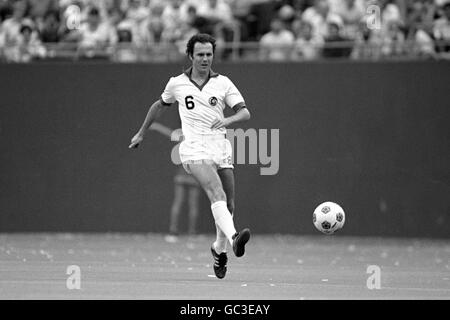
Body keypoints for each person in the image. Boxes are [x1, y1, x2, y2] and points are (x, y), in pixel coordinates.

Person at [129, 33, 251, 279]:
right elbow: (158, 106)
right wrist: (141, 133)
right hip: (193, 147)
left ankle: (219, 249)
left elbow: (245, 113)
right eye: (200, 55)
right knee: (216, 192)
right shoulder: (177, 83)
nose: (205, 59)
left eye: (209, 54)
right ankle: (235, 236)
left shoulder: (224, 83)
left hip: (220, 146)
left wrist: (227, 120)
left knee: (228, 204)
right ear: (190, 56)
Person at [148, 122, 202, 243]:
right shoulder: (200, 142)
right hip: (194, 176)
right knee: (193, 205)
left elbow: (169, 133)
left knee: (178, 203)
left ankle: (173, 231)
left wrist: (156, 126)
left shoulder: (184, 138)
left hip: (182, 176)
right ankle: (192, 232)